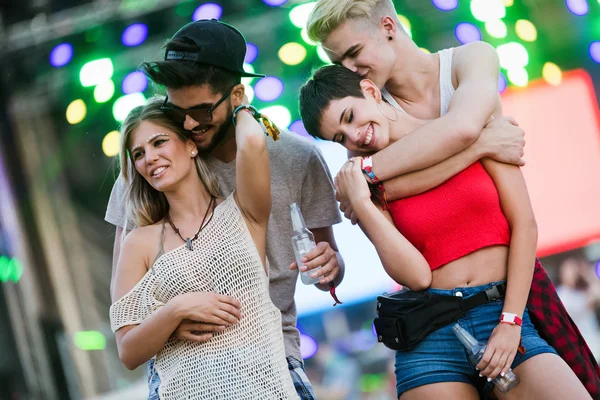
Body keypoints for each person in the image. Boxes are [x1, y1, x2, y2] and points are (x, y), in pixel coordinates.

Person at [305, 0, 600, 397]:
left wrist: (372, 181)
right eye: (339, 61)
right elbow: (365, 193)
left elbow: (460, 128)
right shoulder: (363, 126)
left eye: (354, 53)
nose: (350, 69)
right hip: (431, 323)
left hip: (503, 302)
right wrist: (484, 143)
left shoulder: (466, 62)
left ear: (388, 26)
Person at [105, 19, 344, 399]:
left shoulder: (295, 159)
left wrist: (332, 265)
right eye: (175, 108)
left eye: (199, 110)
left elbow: (327, 269)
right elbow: (127, 309)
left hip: (270, 352)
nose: (187, 123)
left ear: (236, 95)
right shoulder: (147, 173)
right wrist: (173, 319)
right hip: (180, 369)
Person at [110, 97, 298, 398]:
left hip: (266, 385)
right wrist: (175, 311)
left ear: (190, 144)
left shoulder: (243, 212)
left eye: (160, 142)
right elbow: (128, 351)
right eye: (139, 153)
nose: (151, 157)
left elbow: (252, 140)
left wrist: (238, 101)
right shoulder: (139, 242)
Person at [556, 257, 600, 361]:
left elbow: (596, 295)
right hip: (582, 347)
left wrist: (586, 276)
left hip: (594, 341)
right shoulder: (562, 294)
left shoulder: (579, 292)